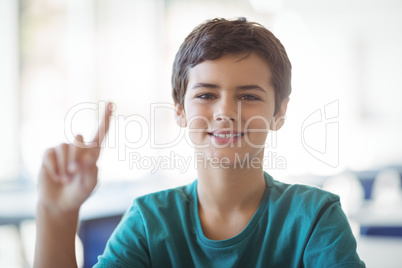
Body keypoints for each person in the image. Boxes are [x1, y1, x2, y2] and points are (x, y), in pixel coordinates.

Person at [34, 18, 365, 267]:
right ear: (179, 111)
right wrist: (57, 214)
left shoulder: (315, 219)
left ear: (279, 112)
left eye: (249, 95)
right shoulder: (149, 222)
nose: (225, 112)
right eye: (206, 94)